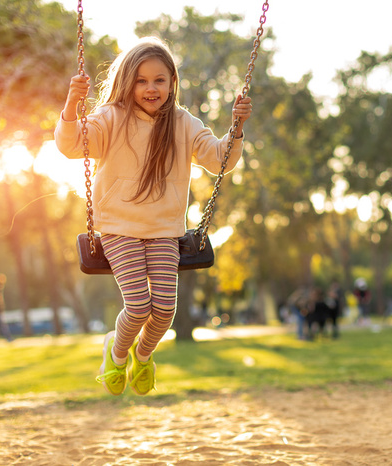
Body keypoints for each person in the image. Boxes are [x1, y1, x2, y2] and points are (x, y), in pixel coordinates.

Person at [54, 37, 252, 396]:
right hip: (119, 228)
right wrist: (72, 103)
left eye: (159, 80)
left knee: (164, 309)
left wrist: (236, 129)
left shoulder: (183, 123)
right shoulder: (110, 118)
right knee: (139, 304)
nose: (151, 88)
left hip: (163, 230)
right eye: (142, 81)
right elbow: (71, 145)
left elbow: (218, 159)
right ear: (128, 82)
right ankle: (115, 354)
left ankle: (143, 357)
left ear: (172, 82)